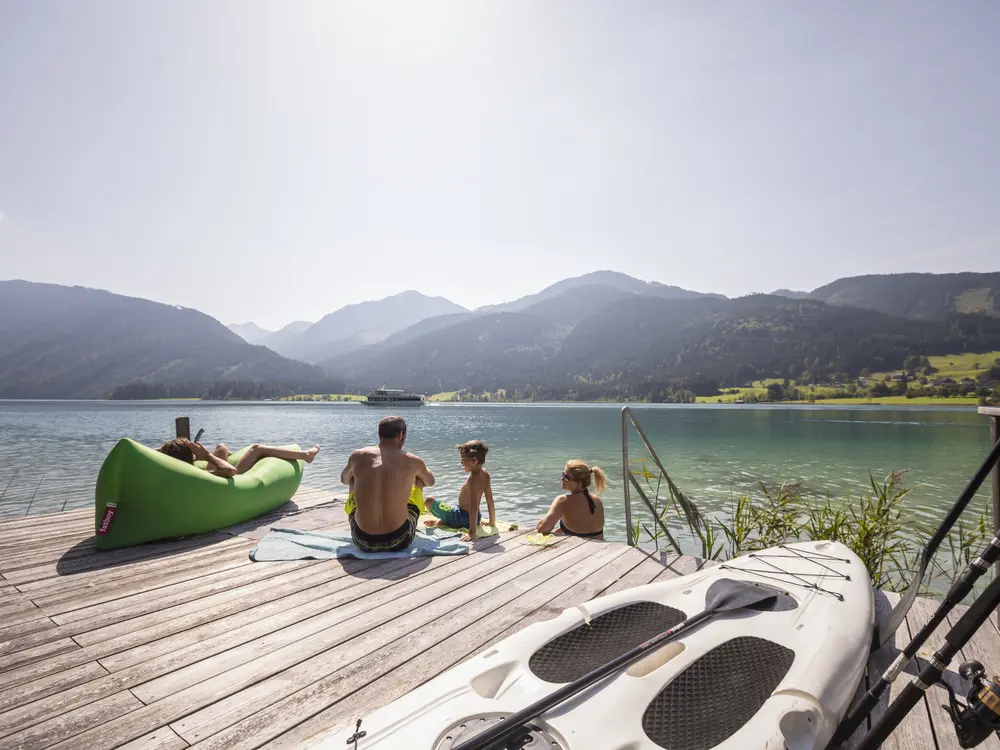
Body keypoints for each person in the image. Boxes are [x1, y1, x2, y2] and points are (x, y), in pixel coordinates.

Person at [339, 415, 435, 552]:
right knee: (419, 478)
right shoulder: (412, 460)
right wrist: (416, 469)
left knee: (353, 478)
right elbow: (430, 481)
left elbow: (344, 479)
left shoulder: (357, 455)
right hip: (400, 539)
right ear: (401, 434)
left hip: (362, 540)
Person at [424, 440, 496, 542]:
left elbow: (473, 507)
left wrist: (472, 533)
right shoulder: (486, 474)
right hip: (476, 519)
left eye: (463, 459)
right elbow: (490, 499)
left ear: (474, 460)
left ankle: (445, 521)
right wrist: (492, 522)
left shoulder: (473, 480)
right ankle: (443, 521)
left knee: (429, 500)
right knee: (452, 508)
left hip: (460, 517)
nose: (461, 462)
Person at [157, 438, 320, 478]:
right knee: (257, 449)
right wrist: (206, 456)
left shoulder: (175, 468)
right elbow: (231, 470)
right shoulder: (195, 476)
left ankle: (237, 456)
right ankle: (306, 456)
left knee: (221, 447)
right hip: (229, 481)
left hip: (217, 473)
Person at [536, 459, 607, 539]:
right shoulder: (597, 501)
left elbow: (543, 529)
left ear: (578, 483)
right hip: (602, 548)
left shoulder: (563, 501)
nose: (561, 478)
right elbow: (584, 530)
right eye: (563, 474)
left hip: (581, 549)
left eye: (566, 477)